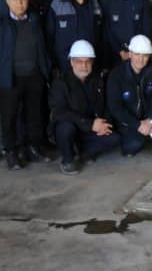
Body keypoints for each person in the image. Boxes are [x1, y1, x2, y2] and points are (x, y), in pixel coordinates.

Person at [0, 0, 52, 170]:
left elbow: (43, 47)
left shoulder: (34, 20)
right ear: (7, 0)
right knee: (9, 118)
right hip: (9, 79)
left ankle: (33, 149)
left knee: (34, 116)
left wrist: (45, 72)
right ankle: (12, 153)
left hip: (34, 76)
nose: (20, 3)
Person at [50, 39, 119, 175]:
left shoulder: (97, 80)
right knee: (65, 127)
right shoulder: (60, 83)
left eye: (88, 61)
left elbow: (105, 105)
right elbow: (59, 112)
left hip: (89, 130)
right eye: (79, 62)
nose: (84, 66)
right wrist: (89, 124)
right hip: (72, 128)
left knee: (114, 138)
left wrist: (104, 124)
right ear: (71, 62)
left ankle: (81, 154)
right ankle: (68, 160)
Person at [106, 34, 152, 157]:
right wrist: (138, 125)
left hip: (149, 117)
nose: (141, 59)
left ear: (149, 56)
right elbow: (115, 107)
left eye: (145, 55)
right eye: (137, 54)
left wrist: (150, 120)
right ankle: (143, 136)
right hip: (130, 121)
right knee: (133, 146)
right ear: (130, 54)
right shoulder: (116, 75)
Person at [48, 0, 103, 72]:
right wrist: (53, 64)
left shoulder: (95, 6)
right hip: (64, 65)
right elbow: (49, 37)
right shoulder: (57, 5)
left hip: (88, 65)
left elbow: (100, 37)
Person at [101, 0, 152, 70]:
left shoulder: (141, 2)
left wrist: (135, 51)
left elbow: (146, 30)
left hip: (138, 55)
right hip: (114, 57)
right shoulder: (106, 1)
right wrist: (120, 51)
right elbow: (106, 30)